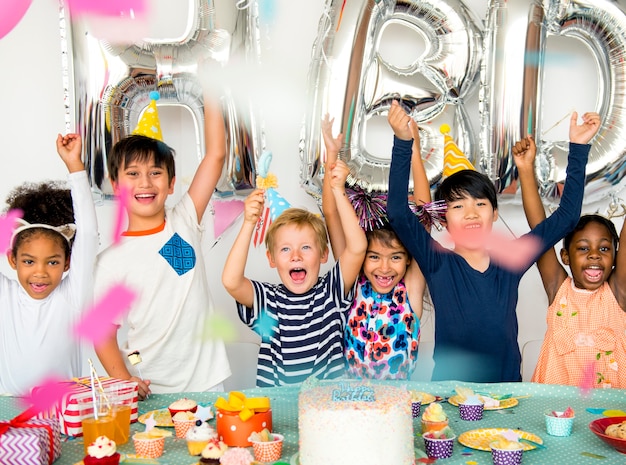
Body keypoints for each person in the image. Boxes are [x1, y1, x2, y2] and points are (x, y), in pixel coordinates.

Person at [387, 104, 601, 382]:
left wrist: (579, 147)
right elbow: (398, 213)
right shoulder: (436, 261)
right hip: (450, 395)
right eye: (458, 206)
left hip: (508, 395)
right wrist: (403, 142)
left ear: (495, 213)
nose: (472, 213)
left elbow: (567, 218)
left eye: (480, 203)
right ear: (443, 219)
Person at [94, 98, 231, 398]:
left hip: (207, 384)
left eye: (155, 172)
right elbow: (102, 333)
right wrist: (125, 380)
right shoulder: (110, 262)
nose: (145, 182)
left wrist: (211, 88)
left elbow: (216, 155)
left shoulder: (184, 220)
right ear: (116, 186)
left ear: (171, 184)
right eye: (132, 174)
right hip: (150, 389)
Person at [222, 162, 367, 387]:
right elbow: (231, 282)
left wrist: (338, 189)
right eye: (285, 249)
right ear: (272, 259)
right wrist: (249, 222)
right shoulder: (267, 300)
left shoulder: (332, 291)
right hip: (278, 410)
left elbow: (357, 247)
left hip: (327, 410)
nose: (295, 256)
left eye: (306, 247)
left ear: (323, 255)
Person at [321, 107, 430, 379]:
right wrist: (331, 157)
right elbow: (332, 214)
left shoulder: (411, 290)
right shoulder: (353, 282)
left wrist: (413, 150)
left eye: (395, 257)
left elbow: (424, 213)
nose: (385, 267)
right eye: (374, 256)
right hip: (351, 405)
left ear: (407, 259)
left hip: (397, 409)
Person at [513, 128, 625, 388]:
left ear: (616, 256)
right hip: (554, 409)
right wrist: (526, 170)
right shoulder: (558, 288)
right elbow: (538, 225)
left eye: (605, 249)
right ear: (565, 256)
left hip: (609, 414)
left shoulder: (618, 293)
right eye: (583, 249)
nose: (595, 255)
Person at [0, 133, 99, 394]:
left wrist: (74, 167)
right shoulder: (5, 296)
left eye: (53, 262)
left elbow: (87, 233)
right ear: (12, 259)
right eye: (29, 261)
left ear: (68, 263)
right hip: (10, 412)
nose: (40, 272)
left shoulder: (72, 295)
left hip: (64, 412)